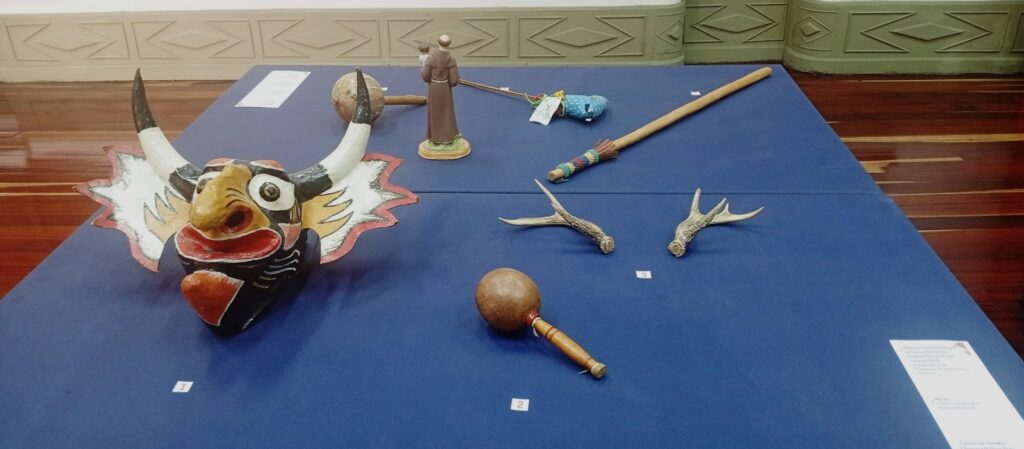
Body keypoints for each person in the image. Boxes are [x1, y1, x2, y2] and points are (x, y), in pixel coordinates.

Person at [421, 35, 461, 145]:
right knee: (446, 112)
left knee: (434, 111)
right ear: (449, 44)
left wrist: (430, 80)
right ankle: (447, 137)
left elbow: (424, 75)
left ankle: (435, 137)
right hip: (445, 88)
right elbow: (454, 80)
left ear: (438, 43)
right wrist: (451, 83)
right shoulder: (451, 59)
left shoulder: (431, 58)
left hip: (434, 87)